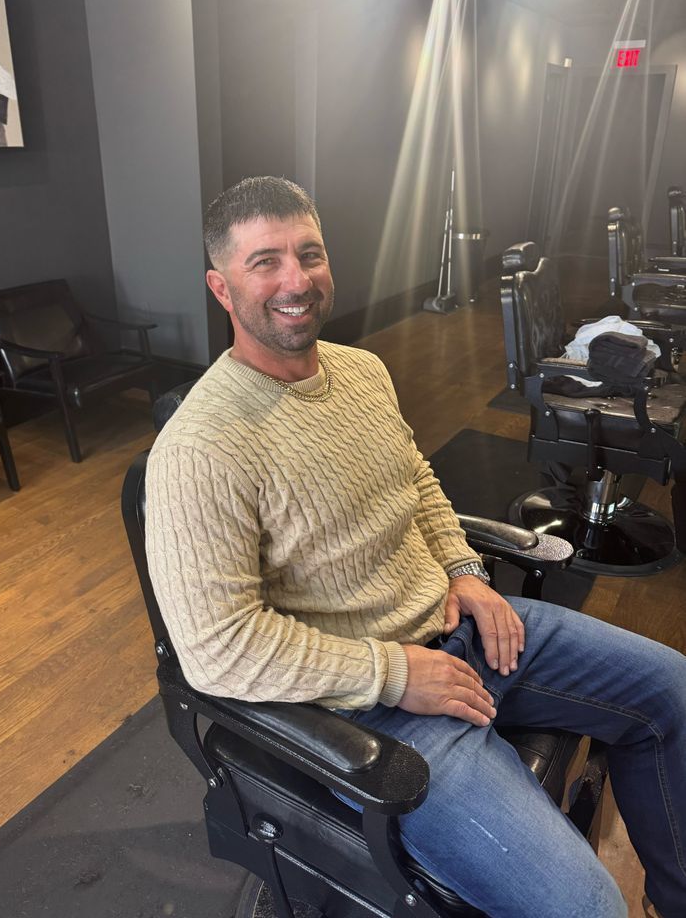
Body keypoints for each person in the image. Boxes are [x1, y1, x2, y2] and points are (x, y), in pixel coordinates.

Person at [145, 176, 686, 918]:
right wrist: (395, 674)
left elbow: (418, 481)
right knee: (586, 906)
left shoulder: (361, 371)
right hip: (370, 710)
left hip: (466, 631)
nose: (297, 280)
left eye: (310, 253)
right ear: (221, 287)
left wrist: (464, 572)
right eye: (265, 262)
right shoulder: (201, 448)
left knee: (673, 692)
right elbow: (218, 650)